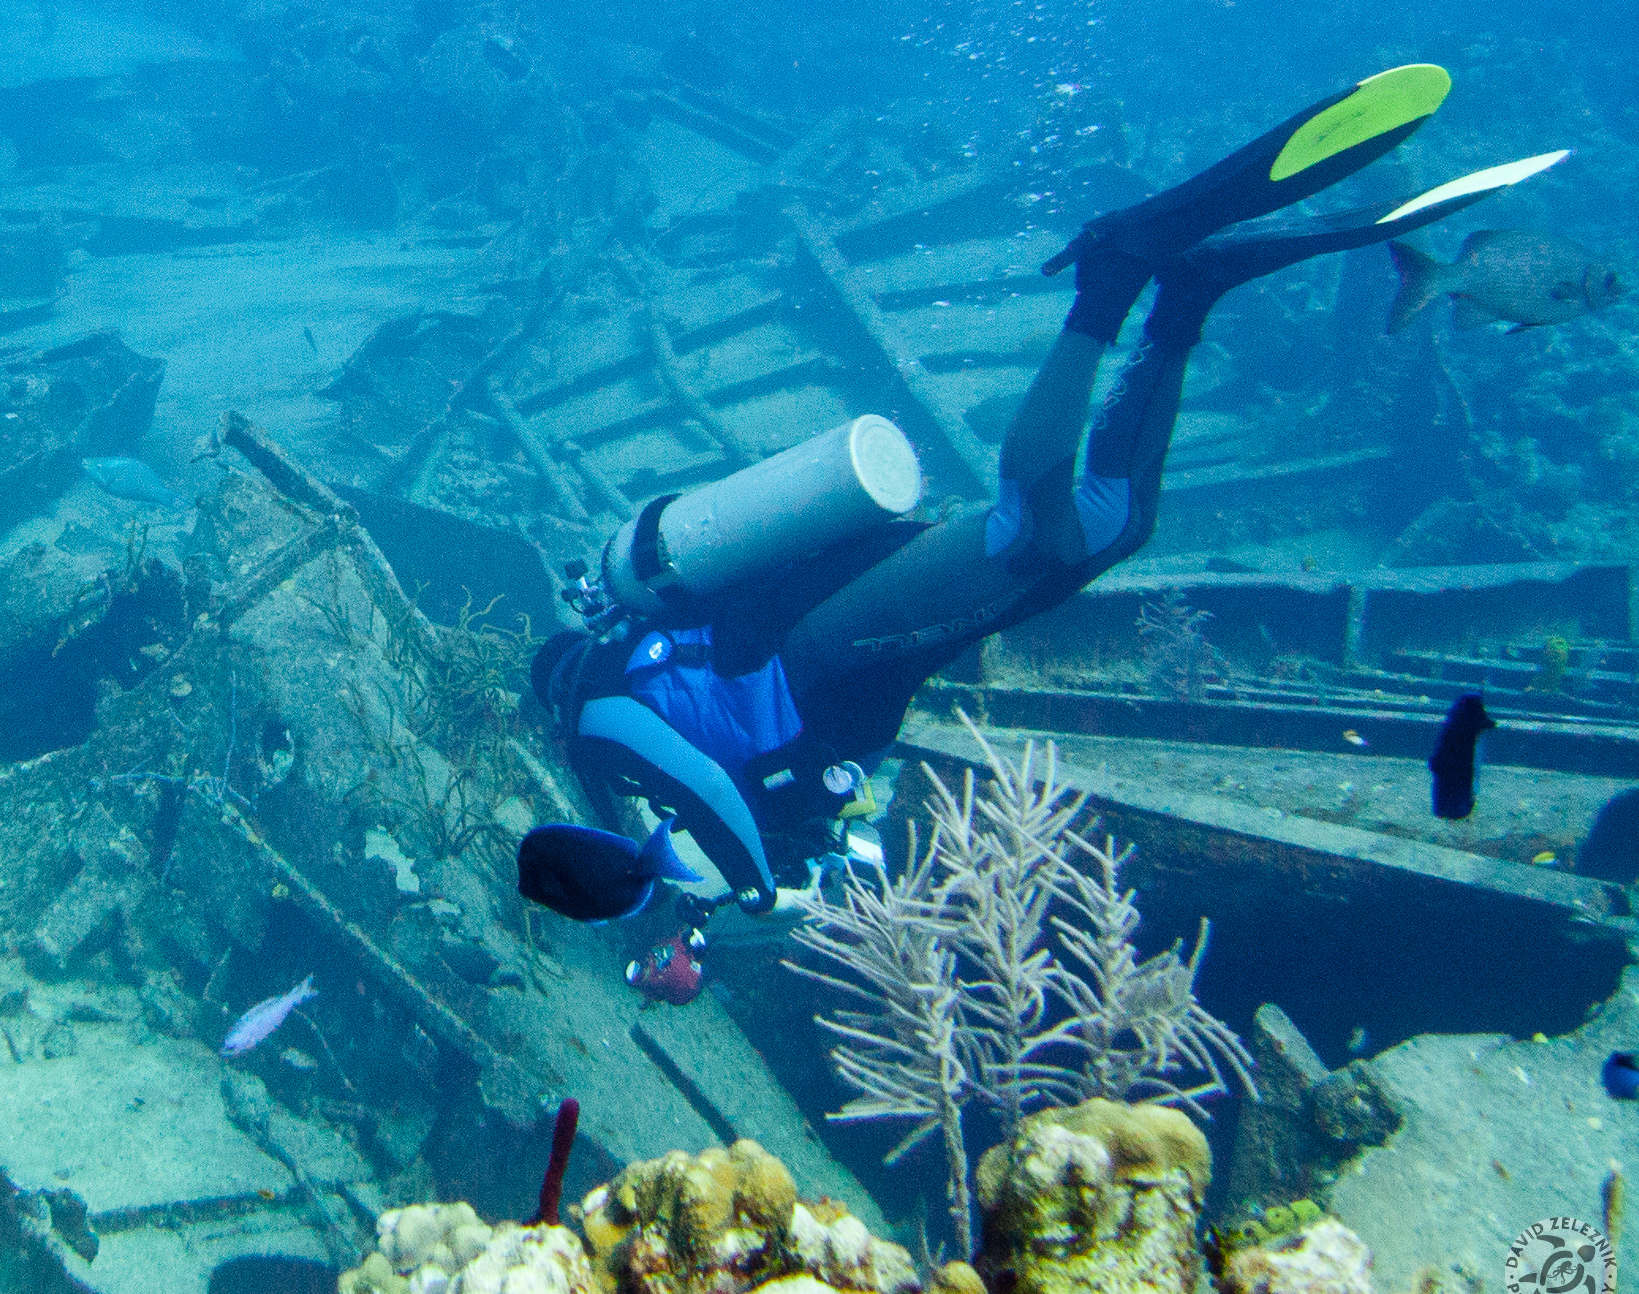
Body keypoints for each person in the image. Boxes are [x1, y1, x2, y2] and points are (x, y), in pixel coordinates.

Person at [524, 66, 1561, 917]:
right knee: (1112, 524)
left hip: (817, 660)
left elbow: (706, 786)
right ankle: (1183, 303)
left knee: (1031, 535)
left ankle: (1112, 283)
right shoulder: (626, 676)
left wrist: (750, 890)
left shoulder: (599, 713)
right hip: (838, 661)